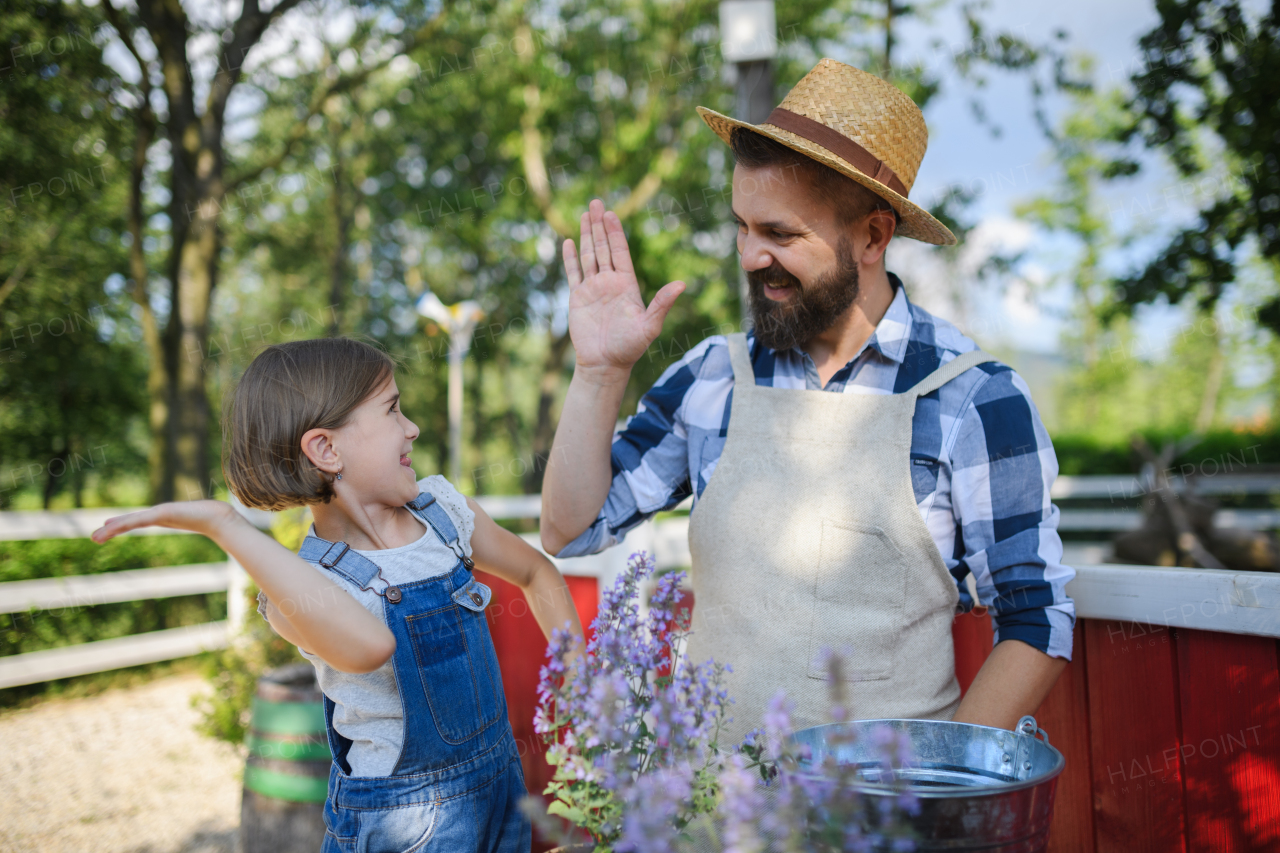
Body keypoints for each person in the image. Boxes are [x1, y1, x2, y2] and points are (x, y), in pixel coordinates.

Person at [540, 59, 1074, 742]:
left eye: (780, 234)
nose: (750, 256)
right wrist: (597, 372)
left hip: (883, 821)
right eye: (743, 226)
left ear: (874, 236)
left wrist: (940, 792)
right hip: (713, 821)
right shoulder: (713, 378)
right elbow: (571, 528)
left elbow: (1036, 616)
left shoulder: (974, 399)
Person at [92, 337, 583, 853]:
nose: (412, 426)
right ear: (326, 449)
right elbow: (369, 646)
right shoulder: (302, 590)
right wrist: (227, 526)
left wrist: (584, 682)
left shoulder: (444, 513)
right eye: (393, 409)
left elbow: (535, 574)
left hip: (501, 790)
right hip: (409, 824)